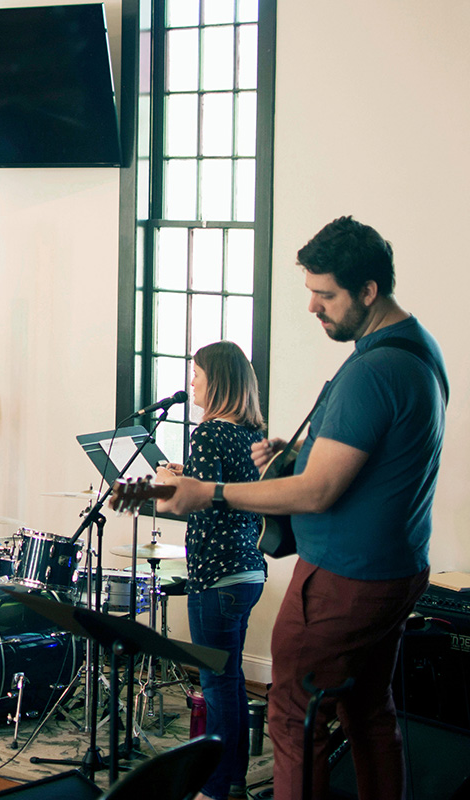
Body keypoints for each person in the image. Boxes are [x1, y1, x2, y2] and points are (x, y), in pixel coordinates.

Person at [158, 217, 446, 800]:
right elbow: (368, 458)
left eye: (327, 294)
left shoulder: (374, 370)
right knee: (368, 712)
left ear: (369, 290)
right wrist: (297, 452)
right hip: (397, 568)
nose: (314, 307)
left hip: (345, 579)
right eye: (310, 291)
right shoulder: (416, 348)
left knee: (293, 715)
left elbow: (318, 492)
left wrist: (209, 493)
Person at [157, 341, 266, 800]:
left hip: (216, 575)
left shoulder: (207, 434)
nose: (192, 382)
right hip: (249, 571)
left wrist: (167, 484)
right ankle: (235, 778)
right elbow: (226, 491)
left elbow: (189, 502)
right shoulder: (250, 433)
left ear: (216, 380)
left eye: (197, 373)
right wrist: (190, 474)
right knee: (232, 680)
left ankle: (216, 788)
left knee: (216, 683)